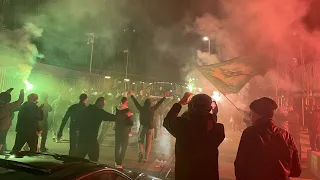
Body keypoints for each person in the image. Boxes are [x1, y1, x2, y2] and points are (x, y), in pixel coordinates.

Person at [234, 97, 301, 180]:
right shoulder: (286, 135)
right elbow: (296, 170)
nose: (250, 116)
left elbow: (240, 165)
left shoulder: (249, 133)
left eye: (251, 113)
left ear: (257, 114)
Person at [164, 92, 225, 180]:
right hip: (208, 176)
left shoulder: (182, 126)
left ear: (191, 107)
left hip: (185, 175)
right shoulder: (218, 129)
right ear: (210, 108)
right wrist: (214, 114)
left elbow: (168, 121)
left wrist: (180, 103)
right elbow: (207, 124)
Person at [129, 90, 166, 162]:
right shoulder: (152, 109)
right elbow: (159, 104)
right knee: (149, 143)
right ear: (150, 104)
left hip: (143, 127)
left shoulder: (141, 108)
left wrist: (131, 95)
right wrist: (164, 97)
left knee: (140, 141)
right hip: (150, 128)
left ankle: (141, 152)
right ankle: (146, 158)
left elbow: (136, 103)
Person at [77, 97, 116, 162]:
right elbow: (111, 117)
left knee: (78, 160)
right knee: (94, 161)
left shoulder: (85, 109)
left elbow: (77, 121)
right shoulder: (99, 112)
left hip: (82, 139)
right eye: (103, 104)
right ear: (100, 103)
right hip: (92, 140)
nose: (103, 106)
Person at [0, 88, 24, 153]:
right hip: (4, 126)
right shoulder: (9, 106)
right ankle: (1, 151)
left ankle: (3, 149)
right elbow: (20, 101)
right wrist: (22, 93)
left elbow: (3, 97)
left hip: (3, 125)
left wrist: (7, 92)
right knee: (2, 139)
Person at [114, 97, 134, 168]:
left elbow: (115, 118)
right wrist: (130, 116)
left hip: (117, 130)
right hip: (125, 131)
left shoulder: (117, 109)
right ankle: (120, 163)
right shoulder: (128, 111)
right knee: (124, 147)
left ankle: (116, 162)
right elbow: (131, 123)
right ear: (126, 102)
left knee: (117, 146)